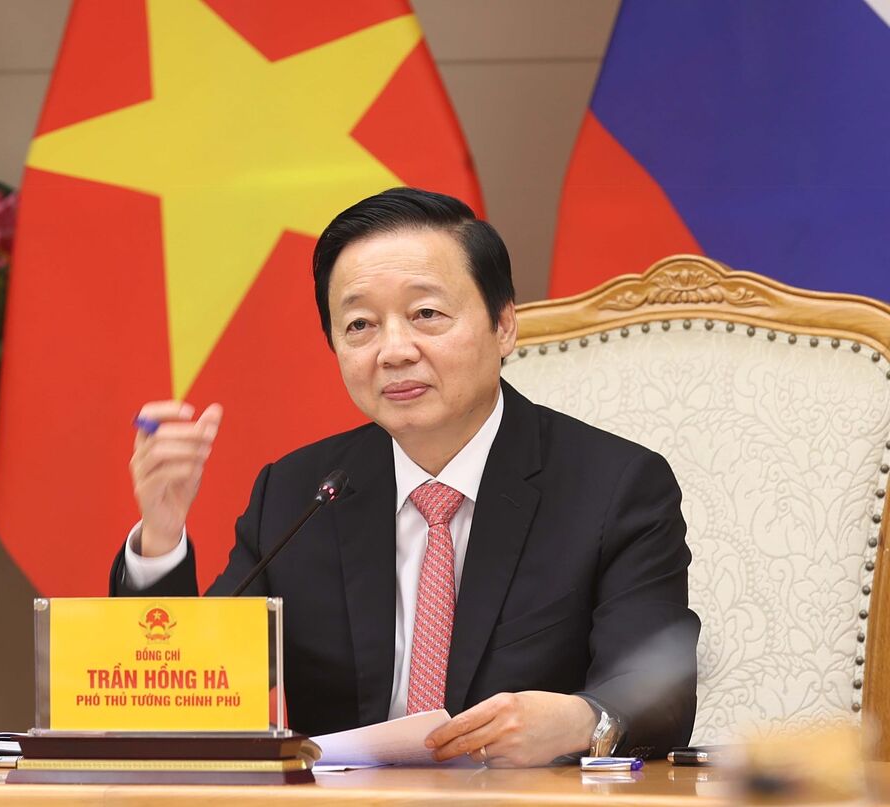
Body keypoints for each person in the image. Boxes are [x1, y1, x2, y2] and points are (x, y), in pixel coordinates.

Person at [110, 187, 700, 767]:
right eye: (360, 325)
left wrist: (582, 719)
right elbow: (190, 688)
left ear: (503, 325)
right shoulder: (299, 492)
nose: (393, 351)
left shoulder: (614, 487)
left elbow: (657, 696)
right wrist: (161, 537)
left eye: (426, 314)